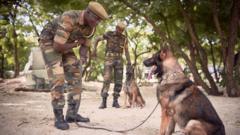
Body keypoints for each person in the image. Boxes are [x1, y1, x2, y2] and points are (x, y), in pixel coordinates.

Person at [38, 2, 108, 130]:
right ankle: (59, 117)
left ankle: (72, 114)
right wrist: (76, 44)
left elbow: (85, 45)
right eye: (96, 18)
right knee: (58, 77)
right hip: (49, 42)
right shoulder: (69, 17)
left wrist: (82, 58)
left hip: (66, 44)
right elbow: (57, 46)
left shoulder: (91, 27)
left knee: (76, 73)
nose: (98, 22)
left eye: (100, 20)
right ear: (87, 12)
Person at [92, 22, 131, 109]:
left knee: (118, 81)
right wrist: (94, 50)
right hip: (109, 59)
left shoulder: (124, 38)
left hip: (119, 60)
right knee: (107, 79)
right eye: (119, 29)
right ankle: (104, 101)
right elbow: (97, 39)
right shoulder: (109, 34)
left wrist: (129, 62)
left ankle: (115, 101)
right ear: (116, 27)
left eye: (122, 30)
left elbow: (127, 51)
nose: (120, 31)